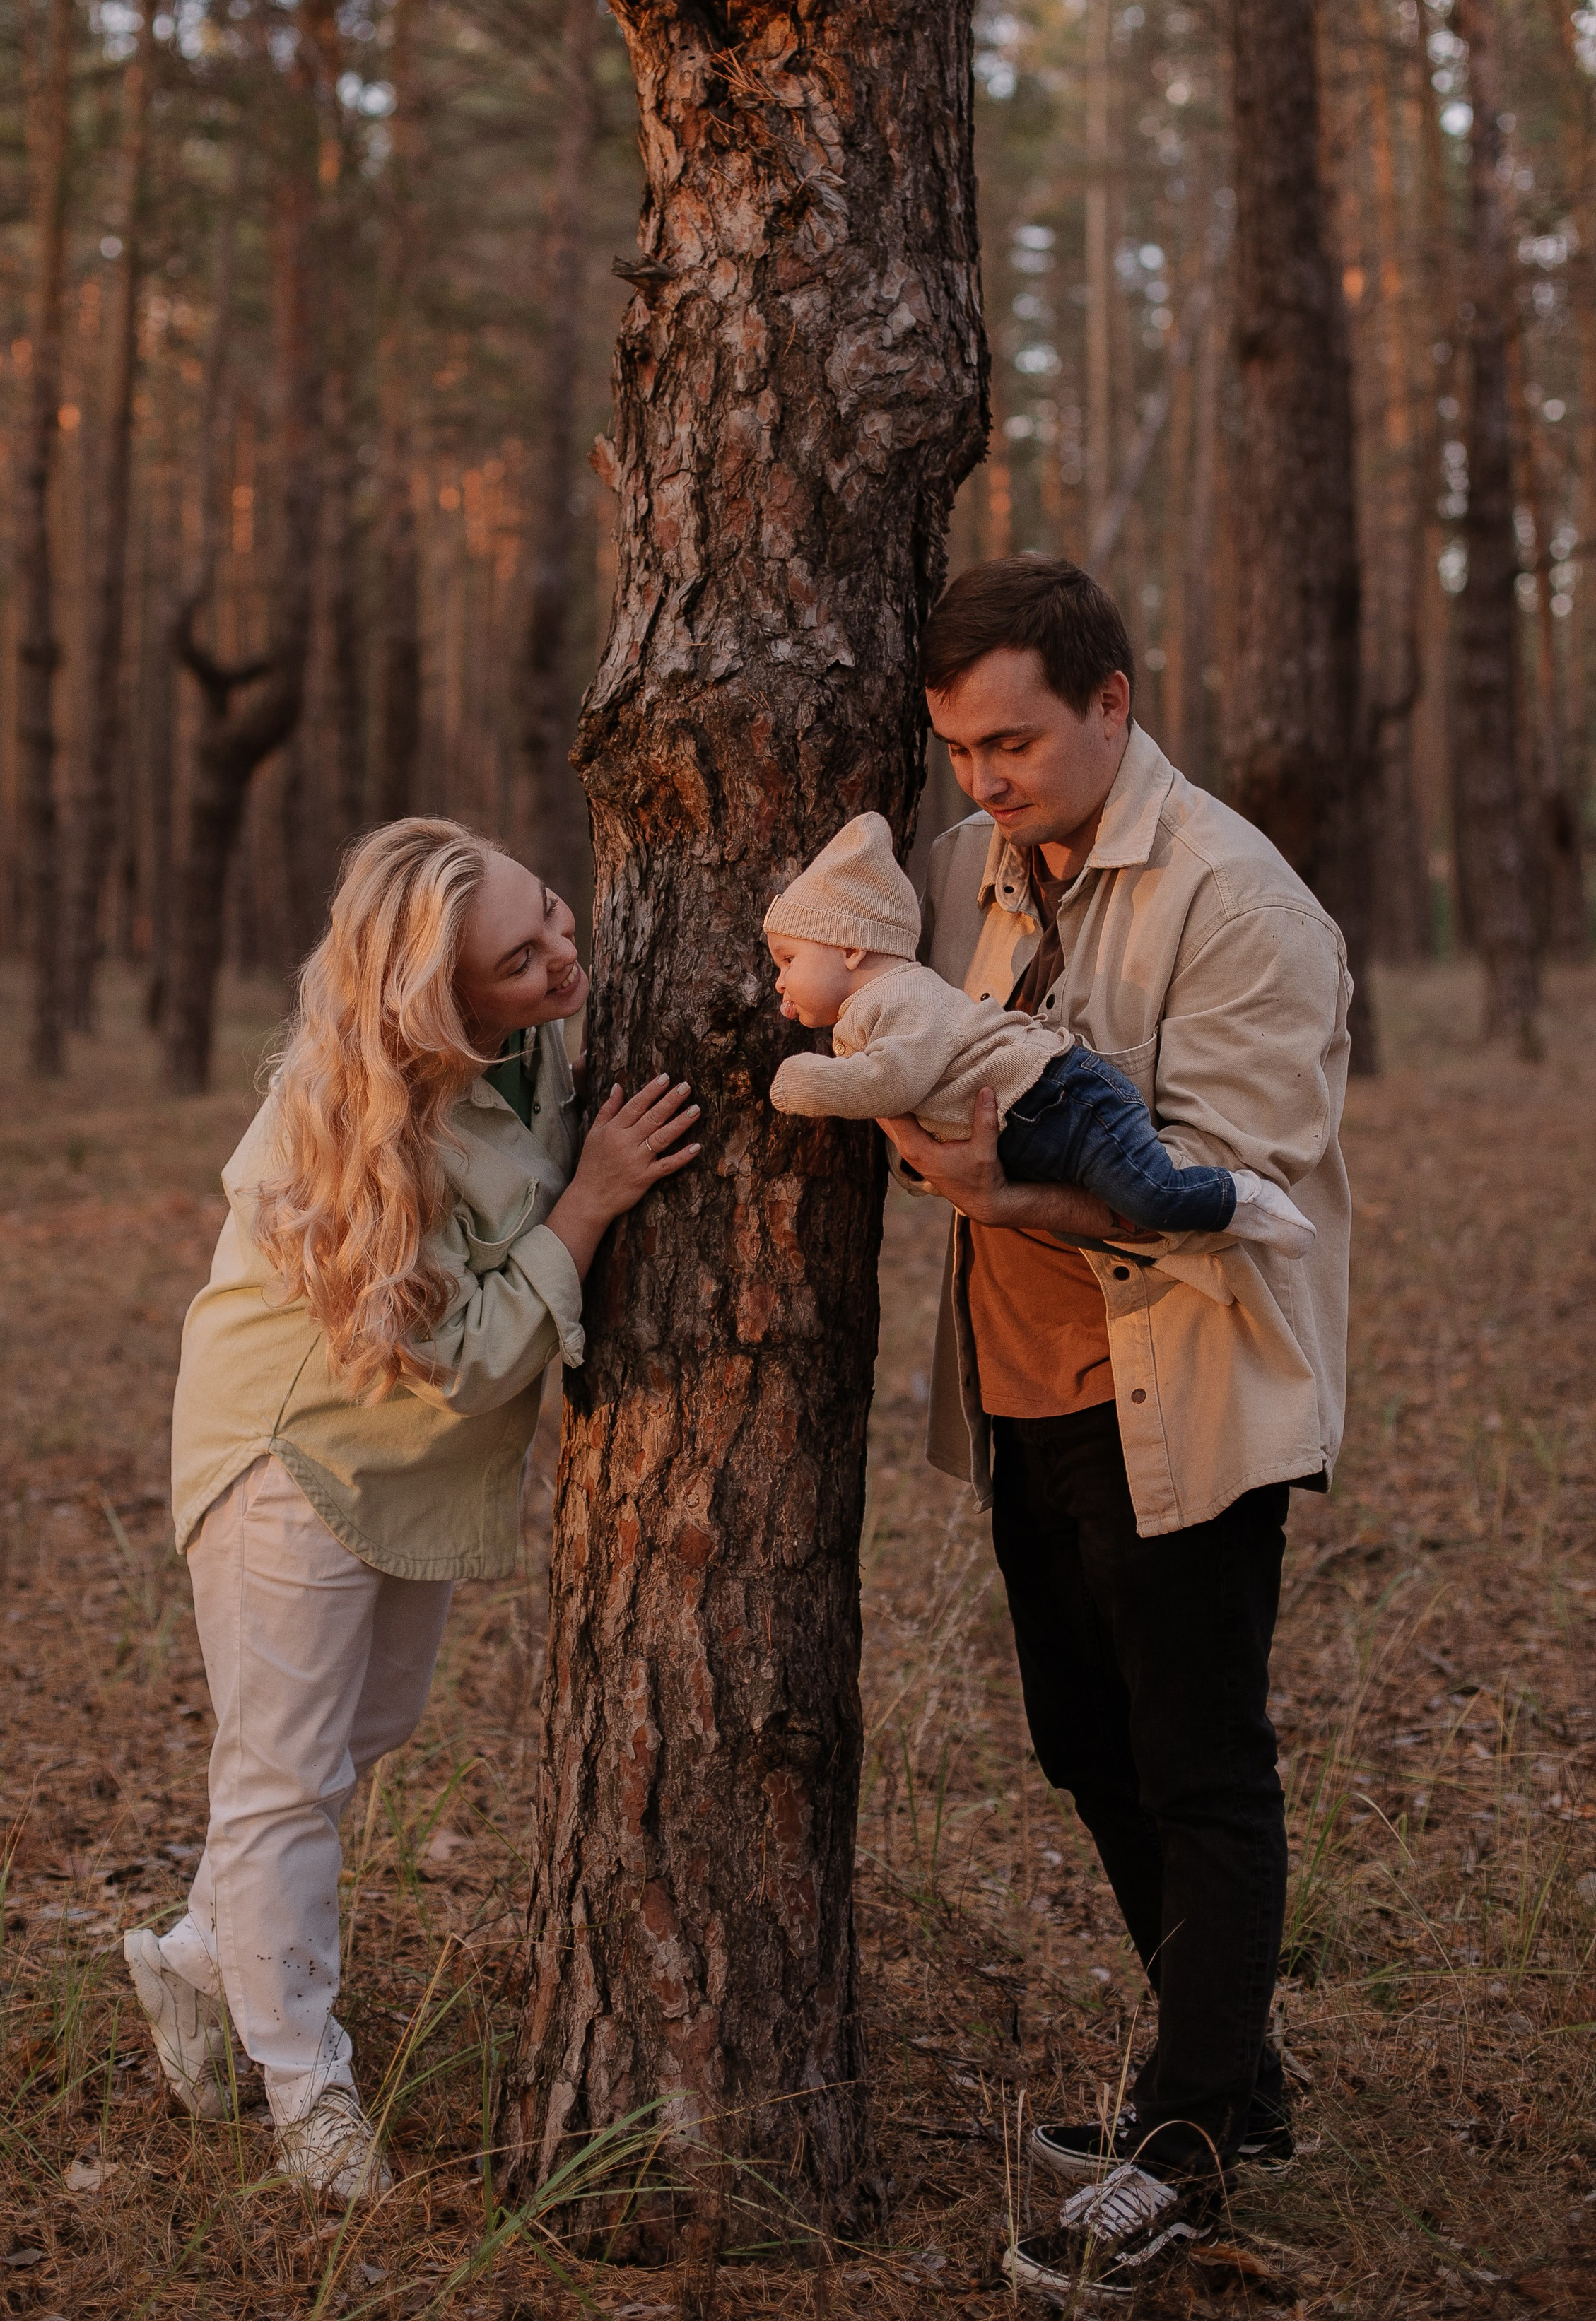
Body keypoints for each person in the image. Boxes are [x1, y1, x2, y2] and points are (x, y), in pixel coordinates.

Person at [881, 558, 1350, 2308]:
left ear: (1110, 703)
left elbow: (1236, 1188)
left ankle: (1184, 2135)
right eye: (955, 749)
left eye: (1011, 739)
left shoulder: (1240, 899)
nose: (981, 778)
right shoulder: (964, 868)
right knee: (1078, 1739)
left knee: (1196, 1759)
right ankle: (1232, 2066)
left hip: (1186, 1390)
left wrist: (1003, 1185)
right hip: (1018, 1390)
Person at [121, 819, 699, 2201]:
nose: (566, 955)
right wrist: (594, 1204)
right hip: (293, 1457)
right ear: (444, 1002)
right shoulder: (341, 1136)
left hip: (406, 1468)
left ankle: (207, 1955)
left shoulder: (537, 1036)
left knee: (362, 1730)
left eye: (553, 914)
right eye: (523, 956)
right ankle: (304, 2089)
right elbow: (461, 1360)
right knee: (286, 1776)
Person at [763, 812, 1313, 1253]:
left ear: (852, 948)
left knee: (1151, 1195)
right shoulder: (872, 1004)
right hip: (1039, 1122)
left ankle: (1239, 1199)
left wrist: (798, 1081)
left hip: (1066, 1101)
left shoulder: (901, 996)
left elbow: (892, 1079)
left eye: (788, 961)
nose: (780, 981)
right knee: (1137, 1193)